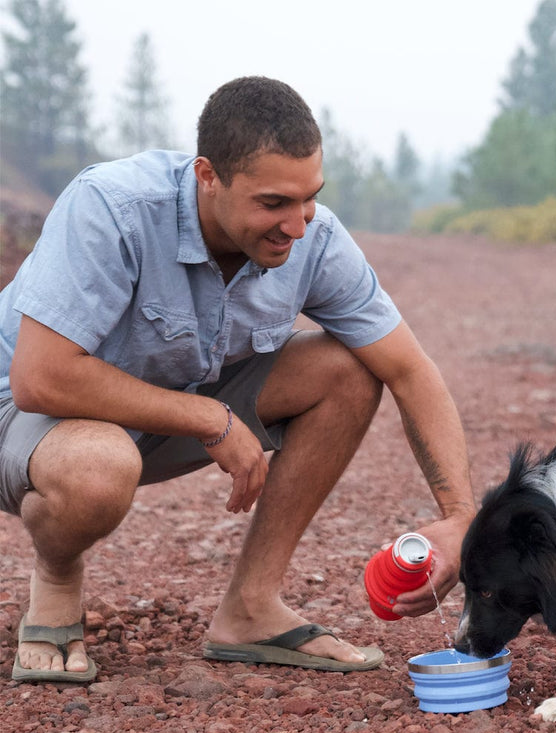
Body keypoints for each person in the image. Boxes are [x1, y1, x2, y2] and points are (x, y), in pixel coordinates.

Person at [0, 76, 476, 683]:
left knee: (350, 368)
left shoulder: (314, 236)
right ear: (207, 177)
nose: (297, 226)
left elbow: (411, 370)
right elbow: (39, 379)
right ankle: (58, 576)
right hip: (24, 418)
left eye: (309, 198)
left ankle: (250, 608)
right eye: (273, 203)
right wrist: (209, 417)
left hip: (145, 417)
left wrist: (461, 518)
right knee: (99, 468)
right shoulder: (113, 207)